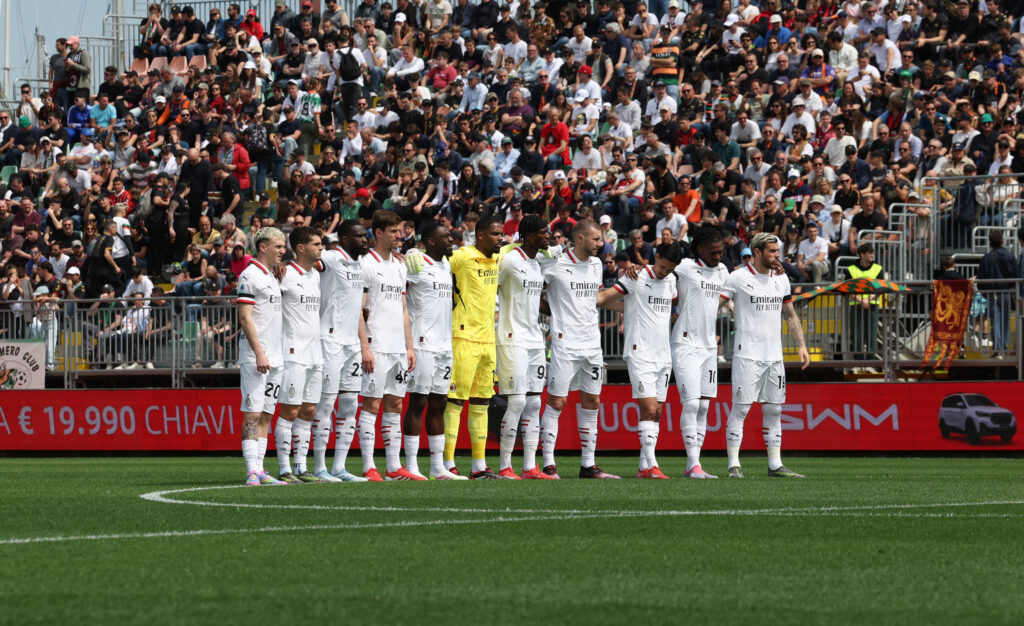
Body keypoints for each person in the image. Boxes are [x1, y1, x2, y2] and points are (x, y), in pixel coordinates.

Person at [415, 215, 503, 479]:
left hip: (488, 340)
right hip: (462, 338)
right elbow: (432, 261)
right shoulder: (462, 256)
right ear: (481, 236)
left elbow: (521, 249)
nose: (500, 238)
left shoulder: (498, 257)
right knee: (454, 401)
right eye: (496, 234)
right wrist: (412, 252)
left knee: (482, 402)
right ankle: (449, 463)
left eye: (501, 234)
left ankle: (479, 466)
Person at [721, 232, 810, 479]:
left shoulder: (781, 278)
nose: (776, 256)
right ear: (757, 252)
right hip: (747, 355)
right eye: (771, 251)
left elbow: (789, 313)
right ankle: (733, 465)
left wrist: (802, 345)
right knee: (741, 409)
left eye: (777, 251)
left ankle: (775, 464)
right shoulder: (738, 277)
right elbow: (716, 304)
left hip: (774, 356)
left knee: (774, 411)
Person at [541, 219, 619, 479]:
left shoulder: (596, 265)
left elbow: (595, 299)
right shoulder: (554, 264)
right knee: (557, 401)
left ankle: (588, 464)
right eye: (596, 239)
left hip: (592, 344)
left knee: (592, 401)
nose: (601, 243)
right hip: (565, 343)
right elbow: (532, 290)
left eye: (601, 239)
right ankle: (548, 464)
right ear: (580, 238)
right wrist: (551, 311)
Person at [598, 242, 682, 479]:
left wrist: (636, 307)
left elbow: (669, 302)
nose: (664, 272)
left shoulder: (671, 281)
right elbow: (602, 299)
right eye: (662, 267)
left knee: (658, 411)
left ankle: (644, 467)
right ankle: (653, 467)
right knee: (648, 408)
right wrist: (628, 307)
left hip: (663, 354)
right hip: (640, 352)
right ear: (656, 256)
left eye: (669, 269)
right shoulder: (636, 276)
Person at [494, 215, 557, 479]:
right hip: (512, 338)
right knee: (517, 401)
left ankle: (530, 466)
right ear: (528, 235)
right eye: (543, 232)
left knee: (533, 402)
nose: (547, 236)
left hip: (535, 340)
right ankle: (505, 466)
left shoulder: (537, 263)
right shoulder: (510, 261)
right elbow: (489, 289)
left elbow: (534, 299)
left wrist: (555, 312)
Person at [310, 220, 371, 483]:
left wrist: (364, 345)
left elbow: (357, 310)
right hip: (330, 341)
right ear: (344, 238)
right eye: (359, 236)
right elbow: (308, 261)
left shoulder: (361, 265)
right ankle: (319, 467)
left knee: (349, 404)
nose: (364, 240)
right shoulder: (333, 258)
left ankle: (340, 467)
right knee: (326, 404)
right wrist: (284, 264)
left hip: (352, 345)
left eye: (365, 235)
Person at [359, 210, 418, 481]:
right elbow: (359, 310)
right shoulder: (366, 264)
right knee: (372, 404)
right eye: (394, 231)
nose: (399, 235)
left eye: (400, 230)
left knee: (395, 404)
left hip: (397, 347)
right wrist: (364, 347)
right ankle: (369, 466)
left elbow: (404, 309)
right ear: (379, 232)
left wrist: (409, 346)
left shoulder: (399, 265)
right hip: (376, 344)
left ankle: (394, 467)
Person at [403, 222, 464, 480]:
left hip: (444, 345)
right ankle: (411, 465)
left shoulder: (446, 266)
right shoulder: (417, 264)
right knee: (418, 401)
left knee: (439, 403)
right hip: (422, 344)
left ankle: (438, 467)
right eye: (445, 236)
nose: (450, 239)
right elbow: (398, 278)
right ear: (430, 241)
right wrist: (408, 252)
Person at [669, 227, 728, 478]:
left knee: (704, 406)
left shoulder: (722, 271)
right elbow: (660, 274)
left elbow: (723, 297)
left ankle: (695, 465)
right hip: (685, 344)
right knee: (691, 403)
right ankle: (693, 465)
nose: (718, 256)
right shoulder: (684, 267)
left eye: (721, 252)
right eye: (713, 252)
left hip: (709, 347)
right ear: (700, 249)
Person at [236, 227, 288, 486]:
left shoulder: (271, 276)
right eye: (278, 246)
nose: (283, 251)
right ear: (263, 247)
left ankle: (261, 469)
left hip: (275, 357)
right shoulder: (249, 275)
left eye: (284, 246)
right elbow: (245, 318)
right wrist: (259, 353)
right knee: (252, 414)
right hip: (256, 356)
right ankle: (251, 471)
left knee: (266, 414)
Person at [275, 226, 324, 484]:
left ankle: (301, 466)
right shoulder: (284, 274)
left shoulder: (315, 274)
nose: (321, 247)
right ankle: (284, 469)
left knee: (309, 410)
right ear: (301, 248)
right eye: (316, 244)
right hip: (293, 351)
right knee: (290, 410)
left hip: (315, 352)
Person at [977, 231, 1019, 355]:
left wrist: (984, 291)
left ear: (990, 242)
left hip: (992, 293)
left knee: (995, 322)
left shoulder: (986, 258)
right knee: (1005, 321)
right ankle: (1003, 348)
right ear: (1002, 241)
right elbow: (1016, 275)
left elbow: (980, 278)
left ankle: (997, 349)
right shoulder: (1010, 256)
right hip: (1006, 292)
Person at [847, 242, 883, 366]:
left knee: (871, 334)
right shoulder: (851, 269)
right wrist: (861, 300)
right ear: (862, 254)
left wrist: (868, 300)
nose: (872, 255)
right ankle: (858, 360)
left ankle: (871, 360)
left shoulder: (878, 268)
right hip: (856, 305)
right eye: (870, 253)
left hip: (872, 305)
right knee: (856, 334)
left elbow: (881, 288)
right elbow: (848, 289)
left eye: (873, 253)